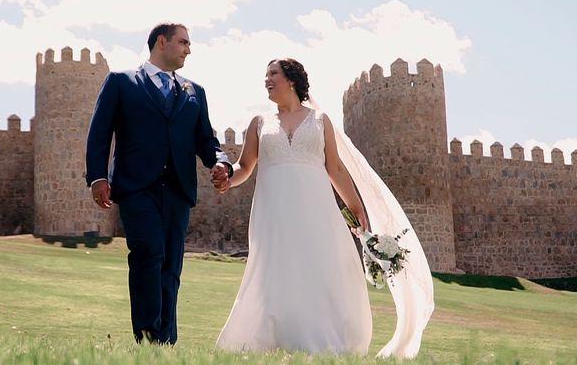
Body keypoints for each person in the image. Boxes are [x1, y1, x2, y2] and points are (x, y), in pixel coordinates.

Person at [215, 58, 434, 358]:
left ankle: (319, 337)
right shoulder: (259, 123)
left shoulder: (320, 121)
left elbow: (336, 169)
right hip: (273, 212)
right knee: (273, 268)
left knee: (319, 267)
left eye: (272, 74)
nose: (266, 80)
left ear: (291, 80)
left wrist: (357, 207)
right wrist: (229, 179)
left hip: (315, 210)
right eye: (265, 75)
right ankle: (270, 335)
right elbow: (244, 166)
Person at [85, 23, 232, 345]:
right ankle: (148, 338)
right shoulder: (121, 83)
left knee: (170, 265)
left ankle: (165, 343)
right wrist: (97, 177)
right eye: (183, 42)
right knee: (147, 254)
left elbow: (205, 139)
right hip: (137, 187)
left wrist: (220, 161)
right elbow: (99, 132)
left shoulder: (196, 92)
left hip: (178, 189)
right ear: (161, 42)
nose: (188, 49)